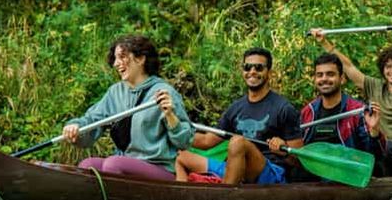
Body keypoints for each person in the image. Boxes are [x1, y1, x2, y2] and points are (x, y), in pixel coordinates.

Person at [62, 34, 194, 181]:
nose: (116, 64)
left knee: (113, 164)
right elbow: (91, 121)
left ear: (140, 59)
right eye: (115, 58)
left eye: (122, 57)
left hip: (158, 169)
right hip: (123, 163)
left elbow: (185, 141)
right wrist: (76, 128)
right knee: (88, 165)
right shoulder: (115, 92)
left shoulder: (165, 92)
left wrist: (170, 116)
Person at [310, 19, 392, 173]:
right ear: (383, 70)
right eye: (388, 67)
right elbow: (348, 66)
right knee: (371, 148)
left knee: (387, 147)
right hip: (383, 154)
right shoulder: (375, 87)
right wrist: (324, 43)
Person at [174, 48, 303, 184]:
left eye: (259, 68)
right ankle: (182, 198)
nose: (252, 71)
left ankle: (226, 197)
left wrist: (284, 151)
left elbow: (300, 160)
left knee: (237, 142)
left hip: (269, 173)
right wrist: (173, 130)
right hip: (235, 168)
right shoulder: (236, 108)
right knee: (181, 157)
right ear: (243, 71)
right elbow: (206, 141)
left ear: (269, 73)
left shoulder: (283, 108)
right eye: (247, 67)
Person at [301, 53, 388, 176]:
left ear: (342, 78)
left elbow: (376, 157)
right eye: (320, 75)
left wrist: (374, 131)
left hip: (346, 177)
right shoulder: (308, 112)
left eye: (330, 74)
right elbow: (299, 149)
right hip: (314, 177)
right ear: (315, 79)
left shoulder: (358, 111)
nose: (324, 78)